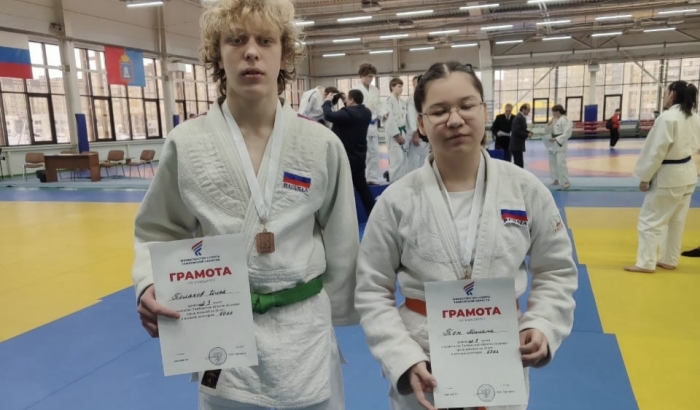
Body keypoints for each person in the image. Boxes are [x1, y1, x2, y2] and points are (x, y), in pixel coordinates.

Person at [131, 1, 360, 409]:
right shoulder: (187, 143)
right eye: (236, 40)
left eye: (265, 40)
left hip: (303, 333)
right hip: (219, 328)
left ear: (284, 54)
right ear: (217, 55)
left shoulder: (321, 144)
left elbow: (343, 243)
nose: (251, 52)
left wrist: (333, 312)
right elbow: (158, 229)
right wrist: (150, 282)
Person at [355, 61, 578, 410]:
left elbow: (557, 270)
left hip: (502, 354)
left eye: (466, 105)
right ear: (421, 124)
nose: (455, 120)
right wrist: (403, 357)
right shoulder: (396, 201)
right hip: (424, 364)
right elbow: (371, 289)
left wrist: (543, 324)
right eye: (439, 111)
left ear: (484, 110)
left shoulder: (525, 190)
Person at [625, 81, 700, 273]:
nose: (664, 96)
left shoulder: (667, 118)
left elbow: (656, 151)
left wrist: (645, 177)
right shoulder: (694, 117)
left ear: (672, 94)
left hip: (669, 175)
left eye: (666, 92)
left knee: (650, 220)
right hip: (688, 173)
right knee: (676, 221)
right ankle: (669, 259)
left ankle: (645, 263)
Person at [322, 89, 376, 216]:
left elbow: (328, 115)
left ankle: (346, 217)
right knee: (362, 186)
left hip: (347, 156)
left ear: (351, 100)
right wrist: (344, 100)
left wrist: (327, 101)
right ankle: (374, 214)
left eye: (348, 99)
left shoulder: (348, 113)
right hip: (360, 155)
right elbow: (349, 114)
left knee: (344, 188)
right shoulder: (366, 112)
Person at [352, 63, 383, 184]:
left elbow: (379, 105)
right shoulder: (355, 90)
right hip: (360, 125)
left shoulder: (375, 90)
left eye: (372, 77)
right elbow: (353, 107)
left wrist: (382, 114)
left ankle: (372, 178)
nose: (371, 79)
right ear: (362, 75)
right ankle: (361, 178)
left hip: (373, 124)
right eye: (369, 76)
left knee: (374, 152)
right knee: (362, 153)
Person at [384, 77, 410, 182]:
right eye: (399, 86)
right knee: (397, 160)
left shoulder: (403, 102)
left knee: (404, 160)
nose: (401, 89)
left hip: (403, 132)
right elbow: (389, 120)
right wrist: (396, 135)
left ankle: (402, 183)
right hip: (393, 135)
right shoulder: (388, 102)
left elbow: (406, 119)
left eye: (402, 87)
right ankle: (393, 183)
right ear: (392, 87)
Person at [406, 75, 430, 172]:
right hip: (417, 133)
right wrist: (415, 133)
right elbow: (411, 116)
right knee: (415, 161)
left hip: (426, 133)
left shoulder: (426, 96)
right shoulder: (412, 99)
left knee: (425, 160)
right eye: (415, 84)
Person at [548, 104, 573, 190]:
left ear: (558, 111)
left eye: (554, 112)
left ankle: (565, 181)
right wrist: (549, 124)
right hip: (552, 145)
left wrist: (556, 139)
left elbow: (568, 133)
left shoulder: (566, 120)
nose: (553, 114)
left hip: (560, 144)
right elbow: (550, 131)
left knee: (561, 163)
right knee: (553, 163)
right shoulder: (555, 120)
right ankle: (556, 179)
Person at [510, 103, 533, 168]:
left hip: (518, 145)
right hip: (516, 145)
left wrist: (528, 132)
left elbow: (520, 129)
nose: (529, 111)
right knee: (519, 163)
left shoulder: (521, 117)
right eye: (528, 110)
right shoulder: (519, 118)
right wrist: (527, 134)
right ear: (523, 109)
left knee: (519, 162)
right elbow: (516, 131)